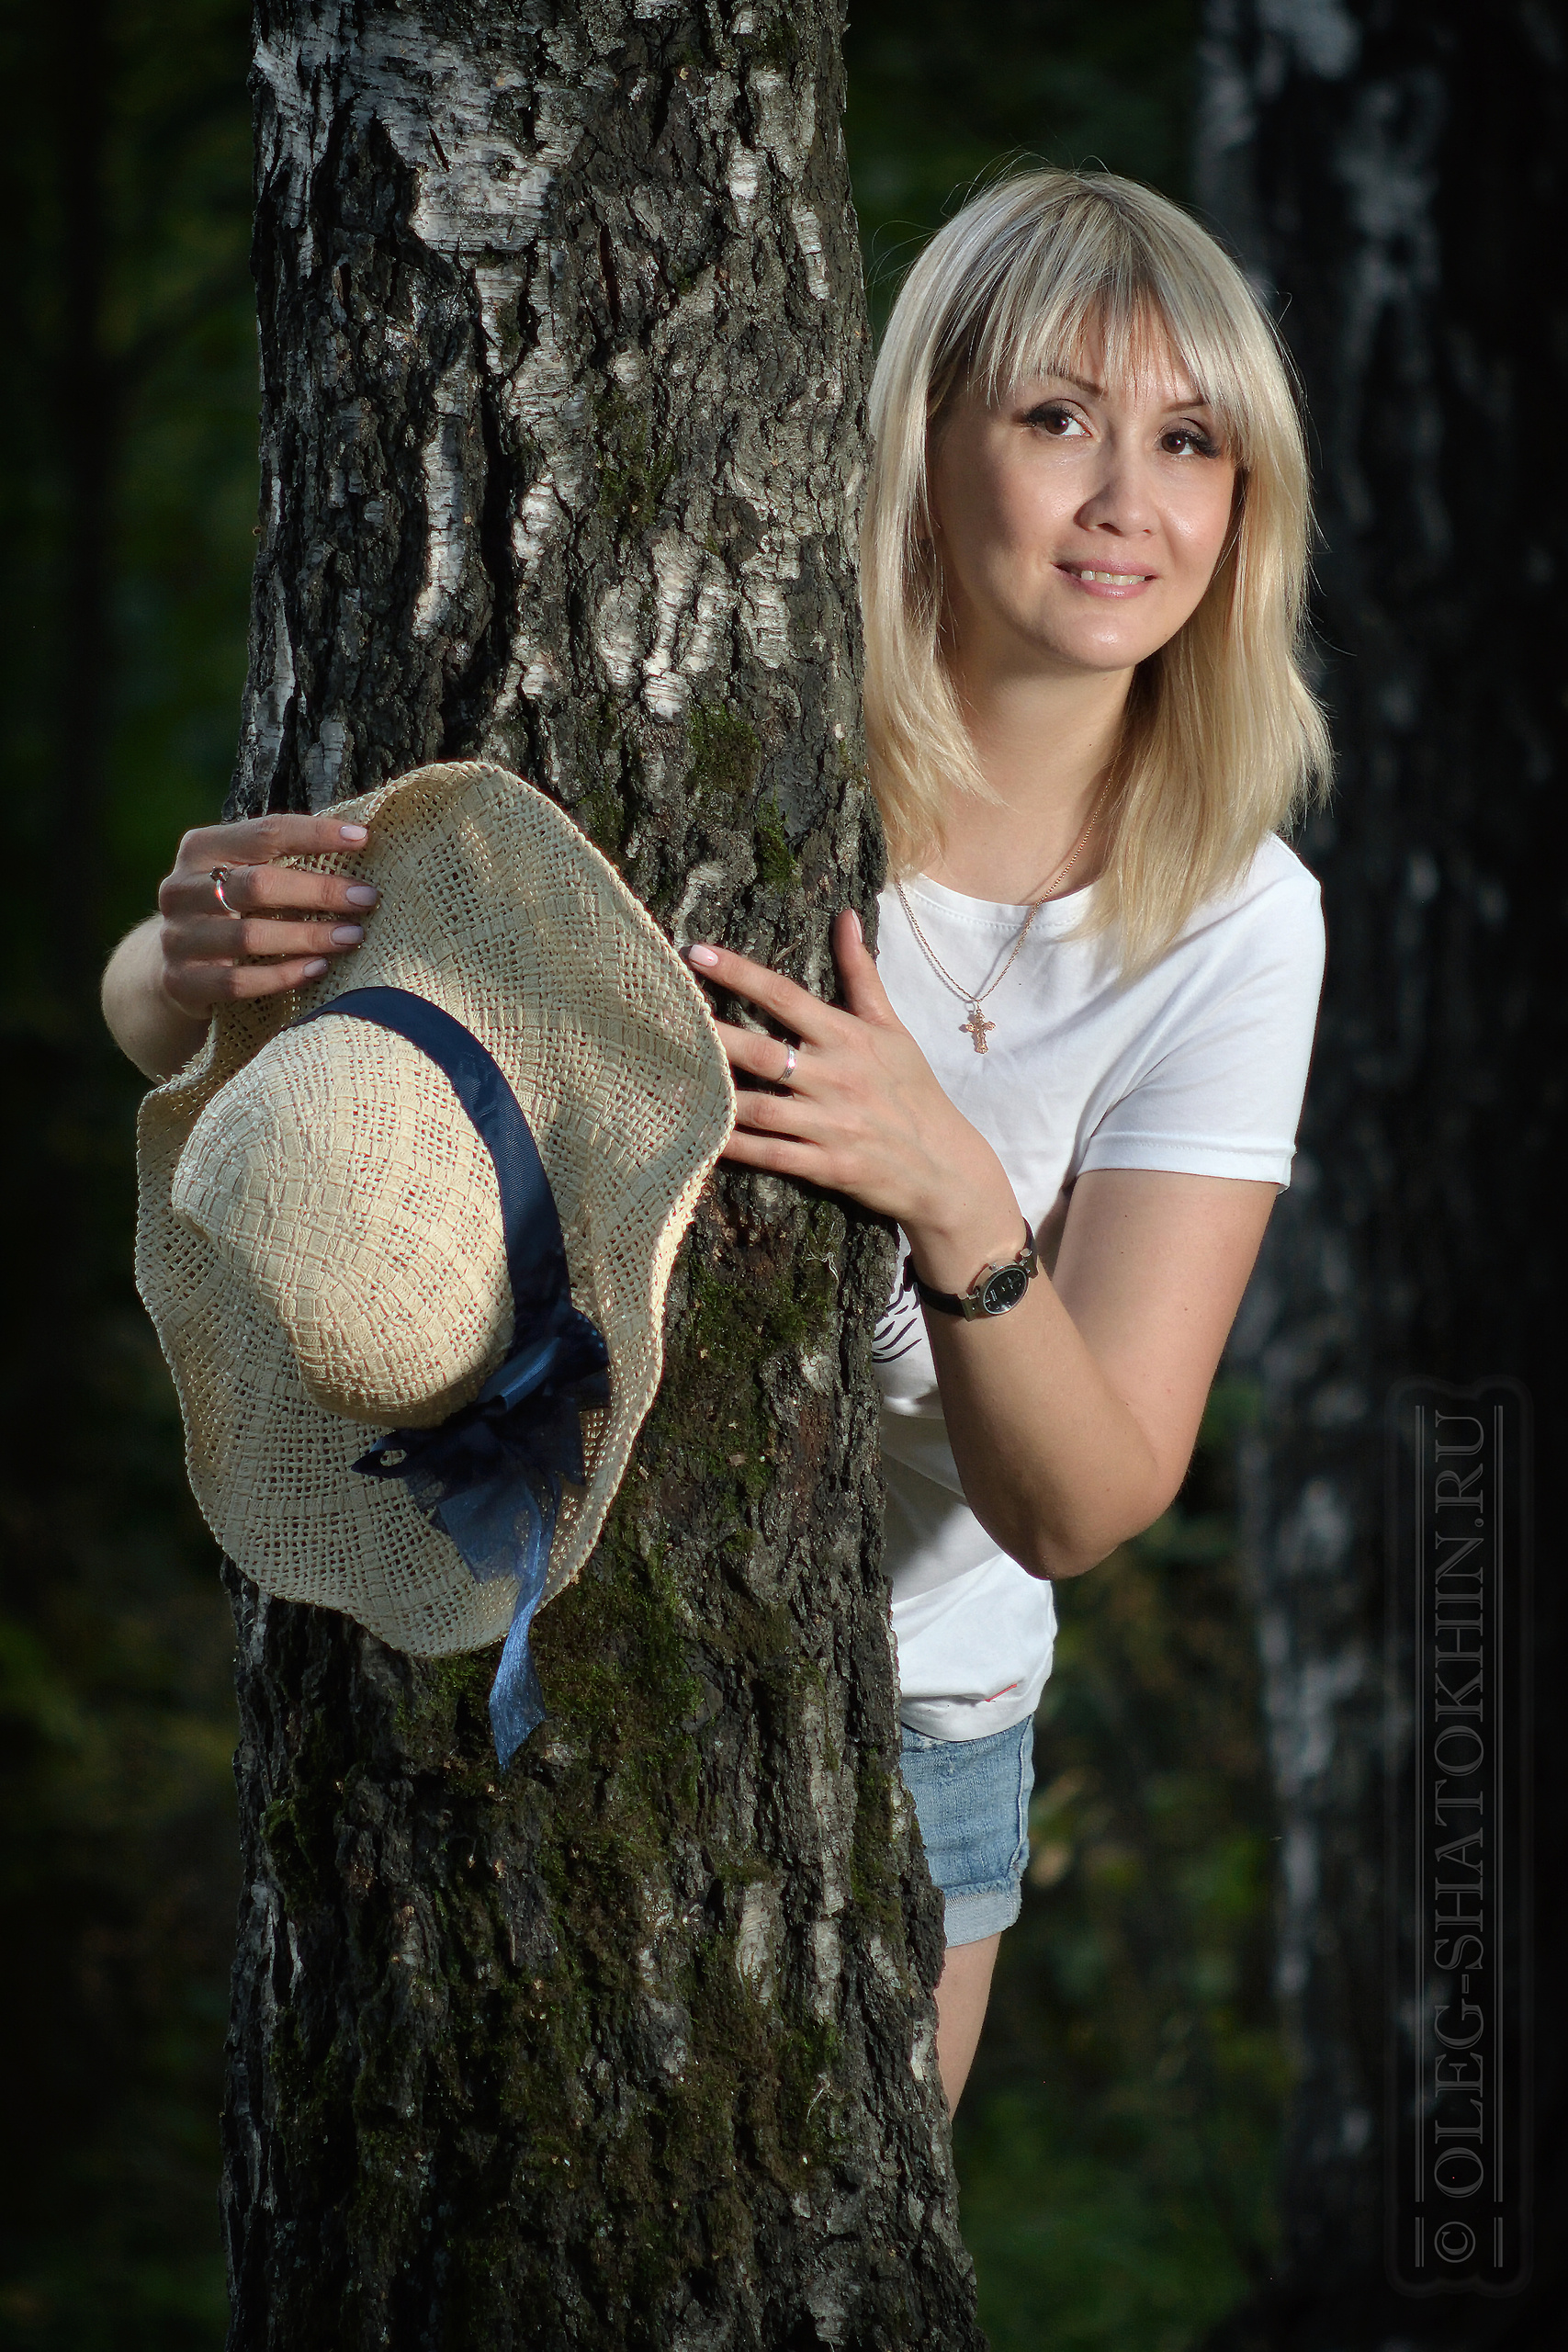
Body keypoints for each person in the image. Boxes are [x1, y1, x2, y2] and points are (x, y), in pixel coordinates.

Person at [102, 168, 1327, 2117]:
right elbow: (277, 1000)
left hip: (905, 1710)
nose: (1128, 498)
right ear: (920, 442)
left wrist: (947, 1183)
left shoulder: (1235, 914)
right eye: (1051, 417)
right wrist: (175, 966)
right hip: (481, 1588)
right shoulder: (720, 721)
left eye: (1187, 438)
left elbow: (1085, 1502)